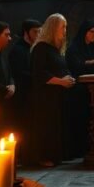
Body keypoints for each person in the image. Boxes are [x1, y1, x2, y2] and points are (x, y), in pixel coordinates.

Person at [28, 14, 76, 167]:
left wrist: (69, 78)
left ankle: (56, 155)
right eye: (62, 27)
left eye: (66, 27)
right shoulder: (41, 48)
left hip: (57, 95)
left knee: (56, 125)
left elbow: (62, 67)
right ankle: (43, 157)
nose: (65, 30)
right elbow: (40, 74)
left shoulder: (56, 50)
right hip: (45, 97)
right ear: (53, 28)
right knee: (46, 126)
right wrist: (61, 81)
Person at [65, 20, 94, 158]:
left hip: (91, 89)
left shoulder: (93, 47)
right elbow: (76, 66)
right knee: (78, 120)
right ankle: (76, 150)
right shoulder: (73, 48)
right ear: (85, 32)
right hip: (77, 89)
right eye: (92, 32)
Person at [8, 18, 40, 164]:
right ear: (26, 33)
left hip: (32, 93)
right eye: (35, 31)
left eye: (40, 31)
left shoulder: (33, 48)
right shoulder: (18, 50)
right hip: (22, 94)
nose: (38, 34)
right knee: (22, 126)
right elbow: (19, 73)